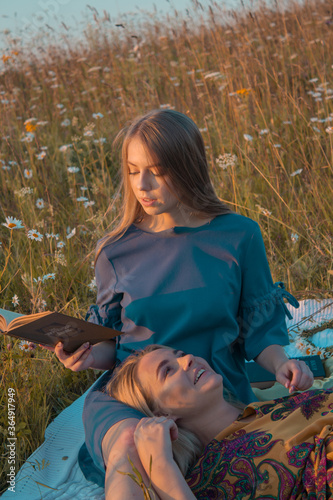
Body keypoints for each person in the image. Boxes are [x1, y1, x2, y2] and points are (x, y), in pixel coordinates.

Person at [44, 109, 314, 499]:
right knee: (129, 446)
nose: (144, 185)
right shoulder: (115, 251)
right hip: (133, 395)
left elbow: (261, 335)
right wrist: (86, 356)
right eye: (134, 171)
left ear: (188, 167)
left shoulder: (239, 235)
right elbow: (114, 347)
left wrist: (281, 364)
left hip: (210, 394)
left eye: (157, 170)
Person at [107, 344, 333, 500]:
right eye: (168, 371)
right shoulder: (217, 478)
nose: (188, 359)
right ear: (161, 414)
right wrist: (160, 466)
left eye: (181, 354)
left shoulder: (269, 408)